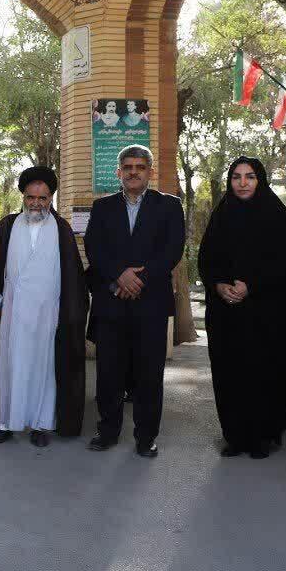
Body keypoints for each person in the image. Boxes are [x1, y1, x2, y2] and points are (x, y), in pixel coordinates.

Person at [84, 144, 185, 458]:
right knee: (109, 372)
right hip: (112, 302)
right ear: (118, 172)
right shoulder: (102, 207)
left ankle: (145, 437)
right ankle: (108, 431)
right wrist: (119, 275)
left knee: (149, 375)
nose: (133, 172)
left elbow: (172, 249)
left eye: (140, 167)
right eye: (127, 167)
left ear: (150, 172)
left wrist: (140, 279)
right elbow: (94, 248)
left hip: (150, 303)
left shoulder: (169, 206)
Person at [0, 167, 89, 446]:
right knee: (11, 366)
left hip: (48, 314)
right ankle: (6, 423)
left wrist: (70, 312)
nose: (36, 203)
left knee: (44, 368)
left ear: (50, 198)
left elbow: (73, 275)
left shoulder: (61, 229)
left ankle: (41, 424)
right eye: (31, 197)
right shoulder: (7, 226)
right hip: (13, 313)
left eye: (42, 198)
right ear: (23, 197)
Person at [198, 156, 286, 459]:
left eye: (250, 176)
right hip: (225, 313)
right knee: (229, 373)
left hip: (264, 313)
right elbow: (206, 258)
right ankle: (235, 436)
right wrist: (218, 285)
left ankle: (262, 436)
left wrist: (251, 285)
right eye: (236, 177)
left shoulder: (275, 213)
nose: (242, 183)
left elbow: (285, 262)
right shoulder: (221, 214)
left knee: (262, 372)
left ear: (260, 180)